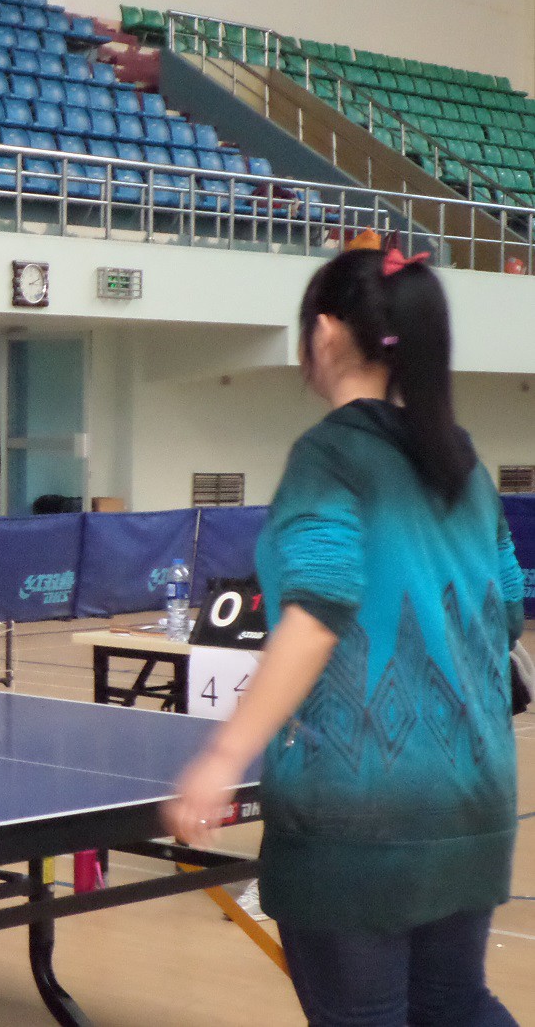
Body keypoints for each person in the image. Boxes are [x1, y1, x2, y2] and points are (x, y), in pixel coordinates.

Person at [164, 247, 523, 1026]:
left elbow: (317, 612)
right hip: (473, 798)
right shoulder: (466, 465)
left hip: (358, 813)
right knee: (453, 1004)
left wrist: (222, 757)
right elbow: (509, 611)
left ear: (325, 334)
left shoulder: (329, 456)